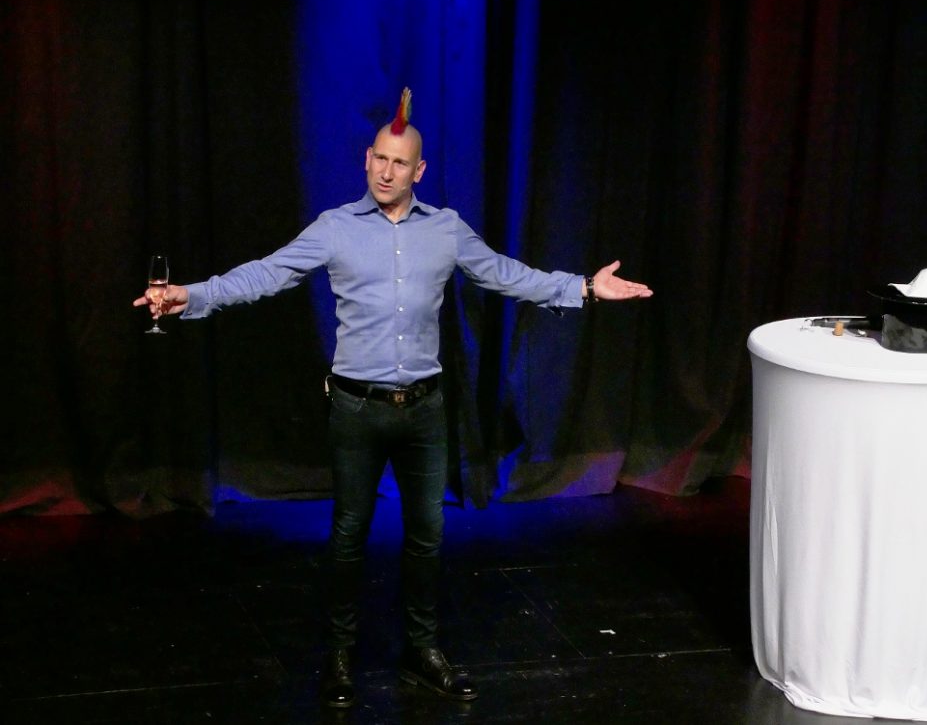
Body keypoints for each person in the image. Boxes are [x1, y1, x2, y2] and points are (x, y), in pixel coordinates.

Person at [133, 88, 653, 709]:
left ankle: (421, 651)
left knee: (427, 535)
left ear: (418, 171)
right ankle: (339, 655)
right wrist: (191, 295)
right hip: (356, 409)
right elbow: (266, 273)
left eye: (399, 162)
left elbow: (506, 274)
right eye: (379, 158)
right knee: (349, 535)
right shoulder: (335, 228)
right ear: (366, 159)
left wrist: (585, 288)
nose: (386, 171)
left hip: (425, 409)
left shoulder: (446, 229)